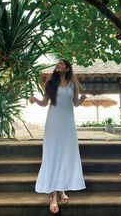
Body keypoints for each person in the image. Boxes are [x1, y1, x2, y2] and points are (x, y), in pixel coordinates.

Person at [29, 59, 87, 214]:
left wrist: (81, 99)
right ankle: (53, 196)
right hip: (53, 123)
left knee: (65, 156)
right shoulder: (50, 84)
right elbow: (44, 102)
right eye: (57, 64)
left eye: (62, 64)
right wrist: (35, 101)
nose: (58, 66)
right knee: (53, 156)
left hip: (68, 124)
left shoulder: (72, 85)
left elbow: (75, 103)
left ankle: (62, 190)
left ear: (67, 68)